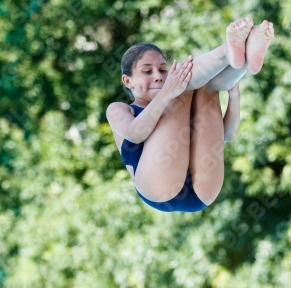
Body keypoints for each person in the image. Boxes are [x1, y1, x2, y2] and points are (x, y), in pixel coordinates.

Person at [106, 18, 274, 212]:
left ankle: (246, 58)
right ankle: (229, 51)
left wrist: (233, 97)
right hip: (158, 188)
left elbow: (226, 135)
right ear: (127, 81)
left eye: (162, 69)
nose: (158, 76)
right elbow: (136, 134)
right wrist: (168, 91)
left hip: (201, 192)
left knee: (205, 87)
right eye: (147, 71)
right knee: (180, 87)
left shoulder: (176, 94)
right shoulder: (118, 109)